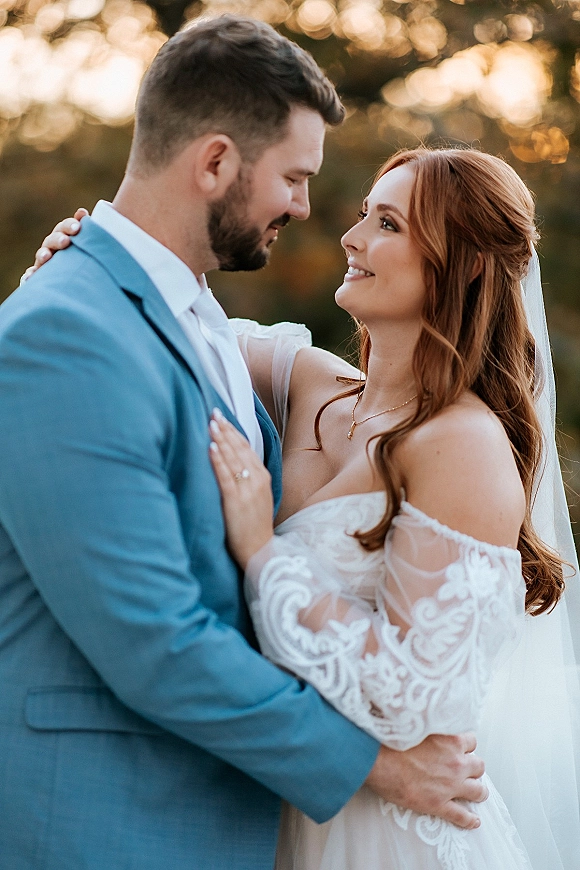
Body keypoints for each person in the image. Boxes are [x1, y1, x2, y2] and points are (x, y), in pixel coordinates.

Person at [0, 17, 487, 870]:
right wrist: (380, 768)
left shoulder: (200, 321)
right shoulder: (64, 334)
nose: (306, 208)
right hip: (109, 828)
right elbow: (158, 642)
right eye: (294, 177)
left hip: (224, 825)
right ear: (217, 162)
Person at [202, 148, 580, 869]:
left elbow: (409, 699)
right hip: (282, 814)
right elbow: (168, 328)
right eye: (362, 216)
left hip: (391, 836)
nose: (350, 238)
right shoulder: (311, 383)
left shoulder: (460, 444)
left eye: (386, 223)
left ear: (466, 263)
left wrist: (262, 552)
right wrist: (77, 256)